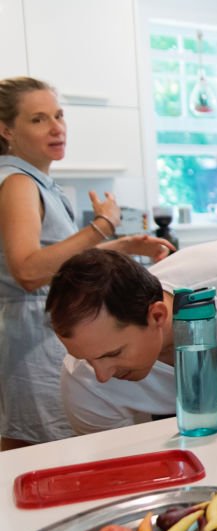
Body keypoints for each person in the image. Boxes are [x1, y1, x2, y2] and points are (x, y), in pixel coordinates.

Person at [0, 76, 174, 449]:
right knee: (46, 458)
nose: (56, 127)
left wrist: (122, 245)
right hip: (34, 341)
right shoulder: (17, 183)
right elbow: (29, 270)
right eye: (38, 119)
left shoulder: (33, 182)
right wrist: (102, 225)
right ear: (6, 129)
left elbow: (57, 262)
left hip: (34, 335)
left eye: (59, 115)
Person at [44, 240, 217, 435]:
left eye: (112, 354)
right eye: (86, 358)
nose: (102, 375)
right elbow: (121, 472)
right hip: (177, 417)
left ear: (157, 316)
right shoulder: (83, 381)